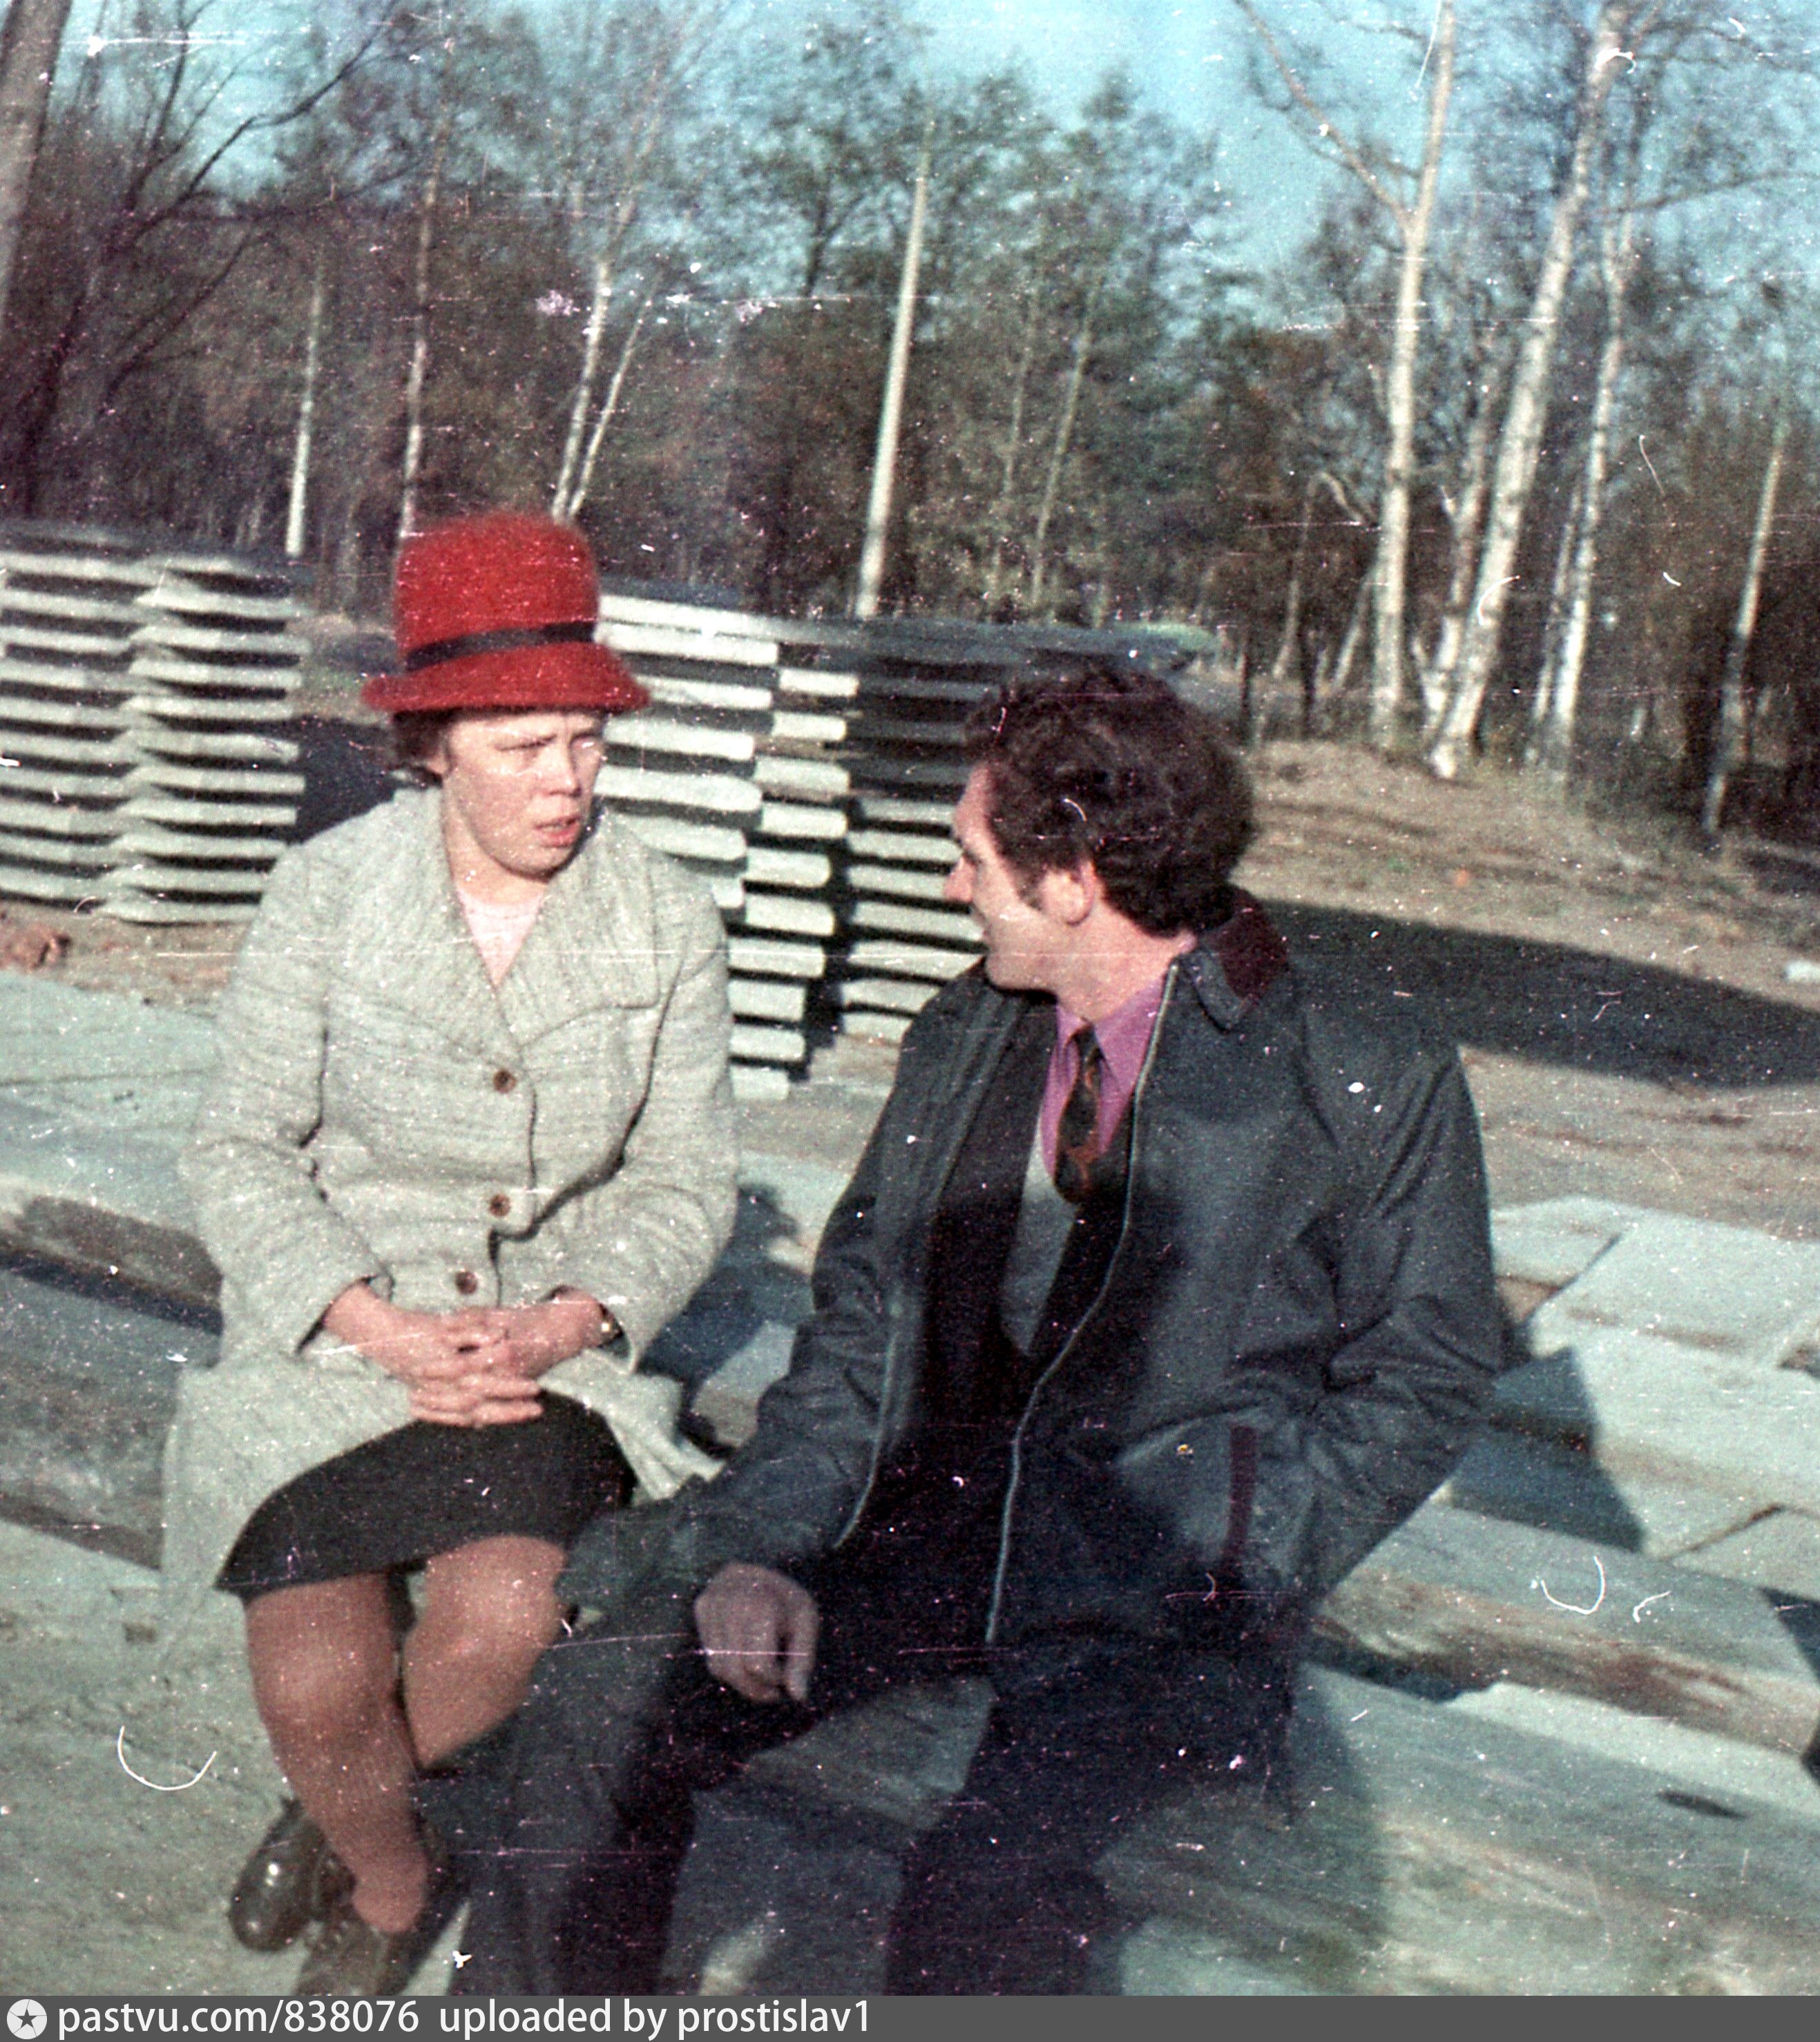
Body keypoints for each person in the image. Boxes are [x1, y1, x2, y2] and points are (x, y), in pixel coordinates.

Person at [452, 666, 1504, 1994]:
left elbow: (1425, 1376)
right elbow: (863, 1330)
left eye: (972, 858)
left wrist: (1236, 1552)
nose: (954, 889)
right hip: (928, 1540)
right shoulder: (970, 1031)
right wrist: (760, 1548)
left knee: (981, 1896)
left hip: (1154, 1599)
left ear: (1074, 878)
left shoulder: (1361, 1067)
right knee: (604, 1697)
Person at [164, 510, 736, 1995]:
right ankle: (395, 1871)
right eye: (525, 747)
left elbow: (688, 1178)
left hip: (544, 1356)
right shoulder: (327, 893)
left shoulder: (665, 916)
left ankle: (350, 1830)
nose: (568, 781)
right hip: (339, 1341)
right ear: (431, 748)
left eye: (588, 742)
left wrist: (566, 1320)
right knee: (315, 1679)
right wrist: (373, 1325)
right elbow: (239, 1148)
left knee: (503, 1624)